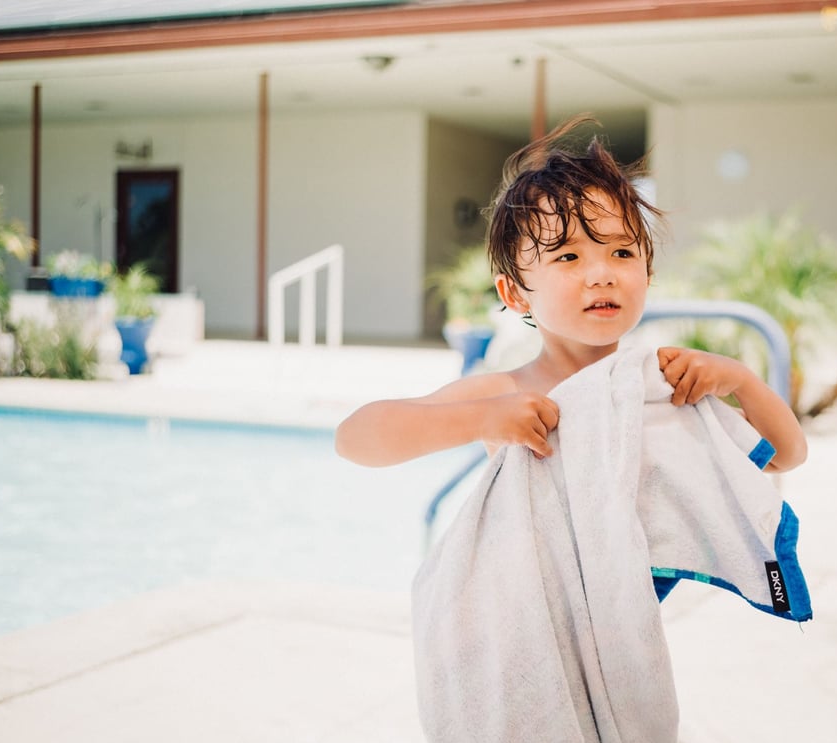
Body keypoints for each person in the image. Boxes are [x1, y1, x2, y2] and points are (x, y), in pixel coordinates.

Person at [335, 116, 806, 474]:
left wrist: (741, 380)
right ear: (515, 294)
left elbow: (784, 456)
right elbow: (355, 439)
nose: (602, 275)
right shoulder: (506, 392)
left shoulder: (663, 385)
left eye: (622, 253)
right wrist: (481, 418)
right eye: (567, 257)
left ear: (648, 272)